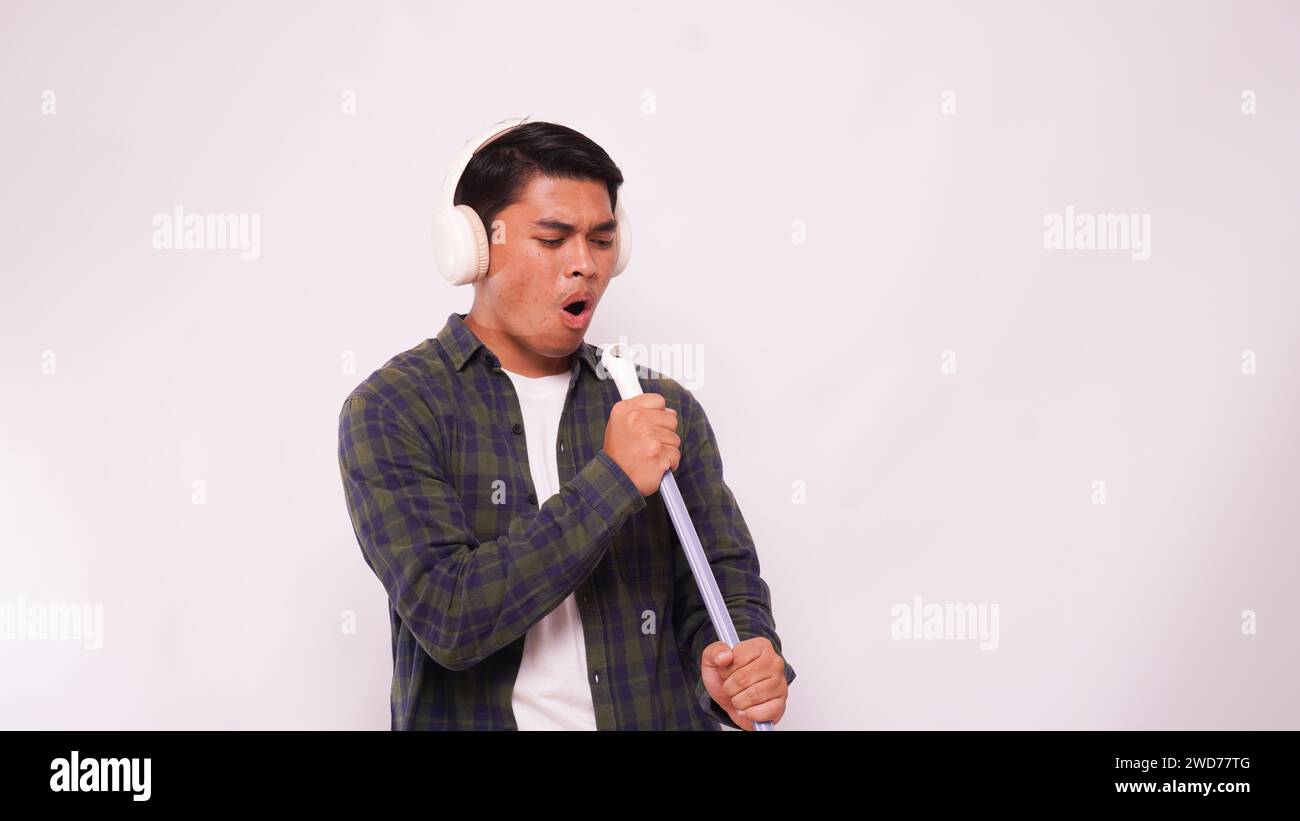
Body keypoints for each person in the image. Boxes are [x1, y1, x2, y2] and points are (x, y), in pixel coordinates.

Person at [337, 120, 794, 730]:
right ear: (474, 247)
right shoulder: (395, 408)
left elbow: (721, 579)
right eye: (553, 239)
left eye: (602, 240)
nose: (585, 266)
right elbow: (451, 618)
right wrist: (613, 481)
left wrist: (741, 660)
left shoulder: (661, 406)